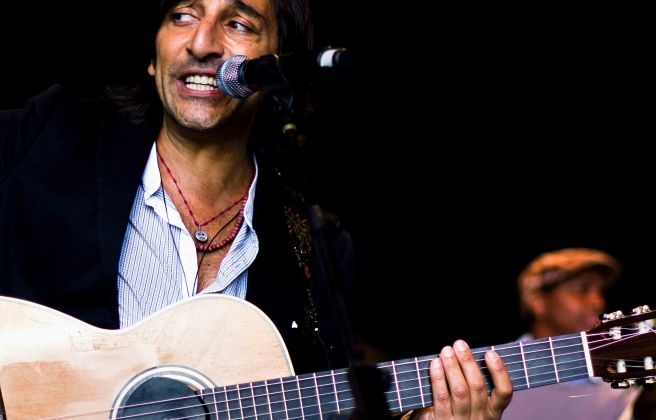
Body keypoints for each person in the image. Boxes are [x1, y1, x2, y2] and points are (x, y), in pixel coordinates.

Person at [0, 0, 511, 417]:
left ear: (278, 73)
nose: (202, 43)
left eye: (239, 23)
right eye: (182, 15)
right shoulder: (46, 135)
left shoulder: (315, 246)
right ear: (153, 55)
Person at [501, 247, 640, 420]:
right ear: (538, 302)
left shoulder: (619, 389)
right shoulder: (492, 374)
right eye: (582, 289)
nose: (598, 302)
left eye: (600, 292)